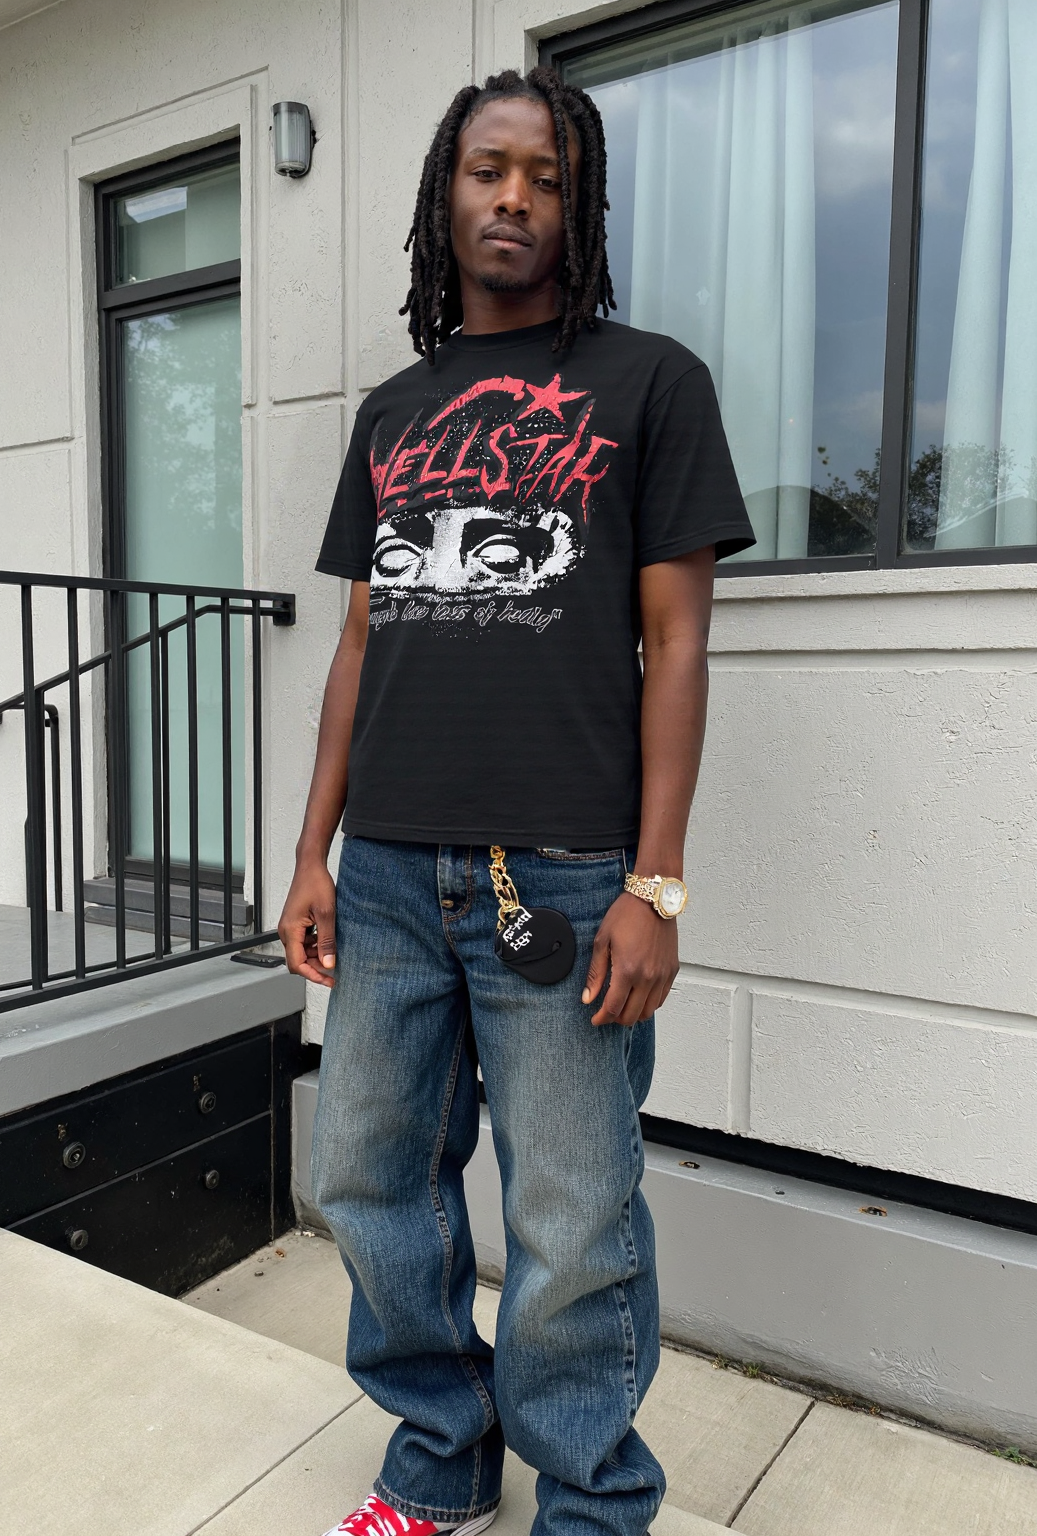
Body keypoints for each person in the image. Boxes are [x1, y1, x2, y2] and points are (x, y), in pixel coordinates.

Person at [278, 65, 755, 1536]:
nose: (515, 199)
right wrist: (311, 853)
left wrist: (654, 882)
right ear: (446, 193)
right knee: (368, 1179)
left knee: (572, 1218)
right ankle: (440, 1452)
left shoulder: (651, 383)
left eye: (548, 178)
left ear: (580, 207)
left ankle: (594, 1502)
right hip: (384, 877)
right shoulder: (392, 412)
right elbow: (361, 641)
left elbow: (677, 643)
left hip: (562, 873)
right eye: (489, 170)